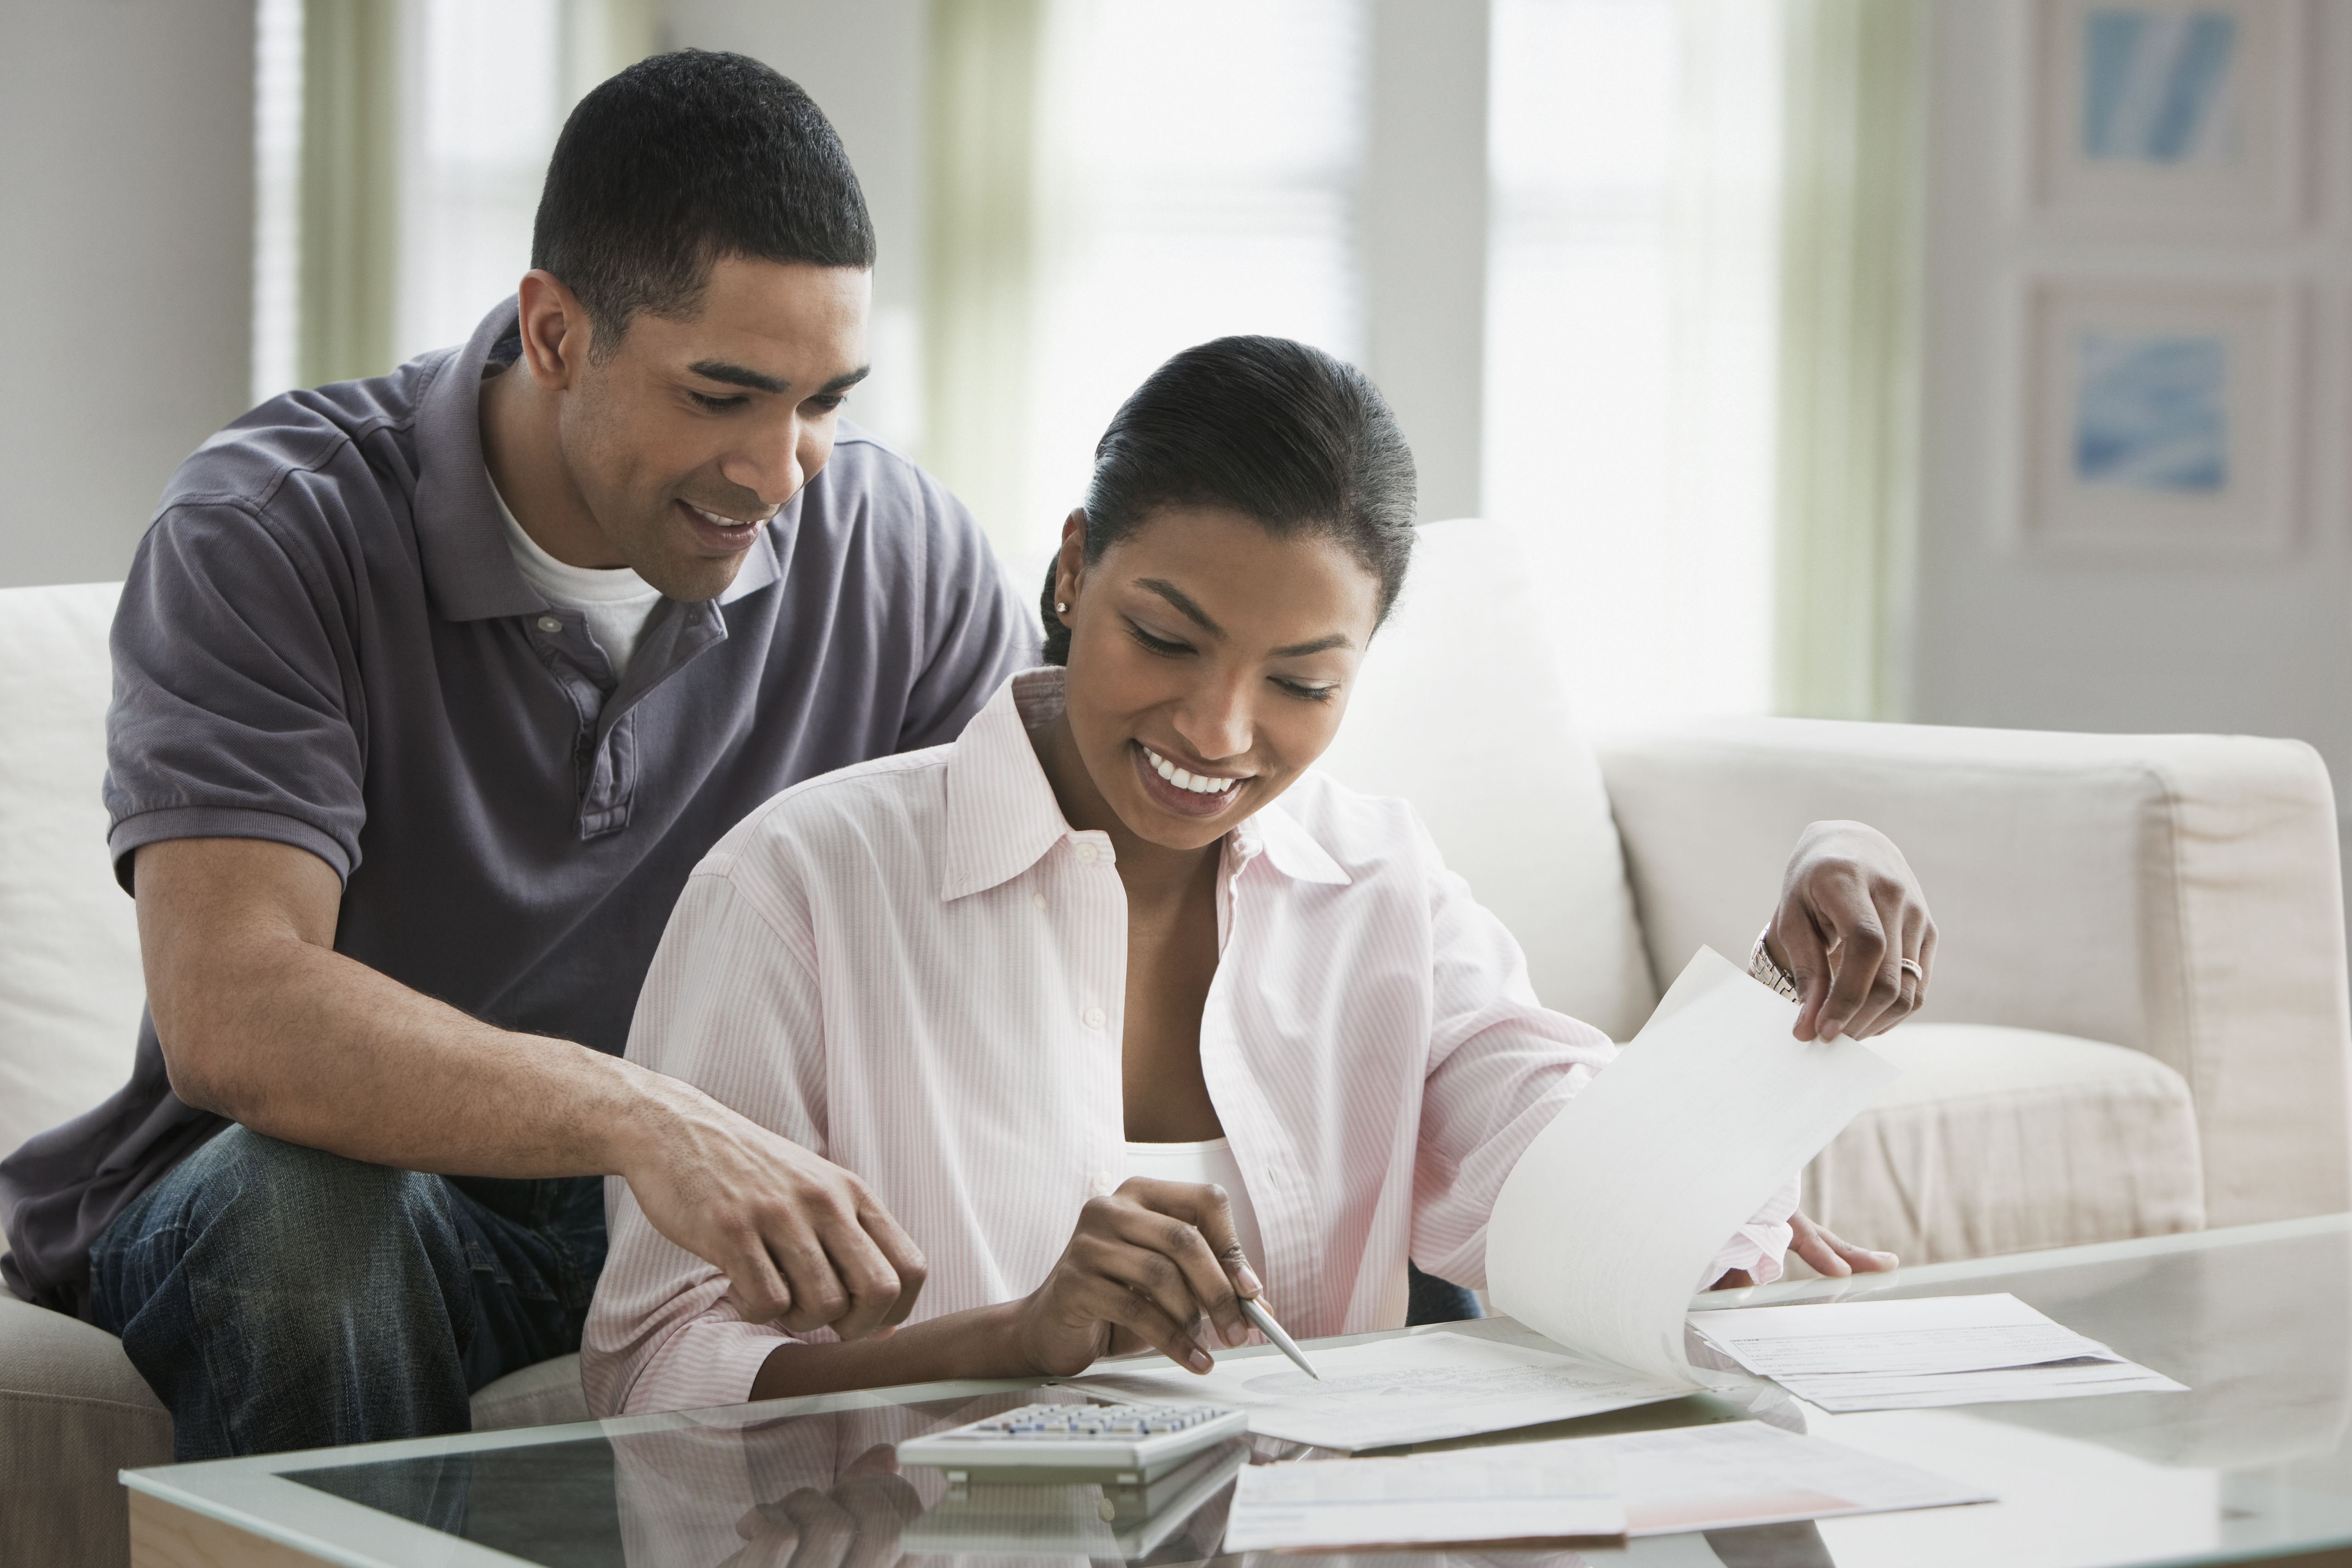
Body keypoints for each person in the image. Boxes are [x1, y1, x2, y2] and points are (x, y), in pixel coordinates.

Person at [0, 52, 1036, 1460]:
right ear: (556, 335)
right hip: (344, 1200)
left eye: (821, 400)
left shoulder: (901, 558)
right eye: (720, 393)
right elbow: (235, 1007)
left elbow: (1015, 947)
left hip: (707, 1224)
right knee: (301, 1221)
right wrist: (646, 1122)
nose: (779, 470)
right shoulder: (273, 531)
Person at [582, 336, 1931, 1416]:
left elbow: (1571, 1181)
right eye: (1166, 638)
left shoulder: (1382, 886)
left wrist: (1796, 950)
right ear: (1072, 569)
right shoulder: (801, 889)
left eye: (1301, 683)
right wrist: (1012, 1340)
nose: (1218, 734)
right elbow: (655, 1373)